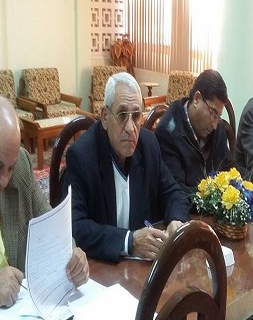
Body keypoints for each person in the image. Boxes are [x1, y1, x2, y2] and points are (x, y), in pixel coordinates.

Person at [0, 95, 89, 320]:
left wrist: (70, 253)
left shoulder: (19, 163)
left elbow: (48, 222)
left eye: (9, 168)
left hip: (21, 317)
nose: (4, 180)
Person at [63, 72, 190, 263]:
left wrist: (176, 221)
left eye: (136, 116)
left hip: (140, 265)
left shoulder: (148, 145)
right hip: (101, 266)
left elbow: (174, 193)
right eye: (122, 115)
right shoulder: (82, 156)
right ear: (105, 117)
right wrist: (129, 241)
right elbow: (74, 225)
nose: (131, 128)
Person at [155, 69, 253, 194]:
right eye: (213, 113)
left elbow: (227, 166)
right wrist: (215, 195)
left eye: (218, 116)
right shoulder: (168, 133)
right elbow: (176, 192)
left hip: (212, 202)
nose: (215, 125)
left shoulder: (216, 128)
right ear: (197, 99)